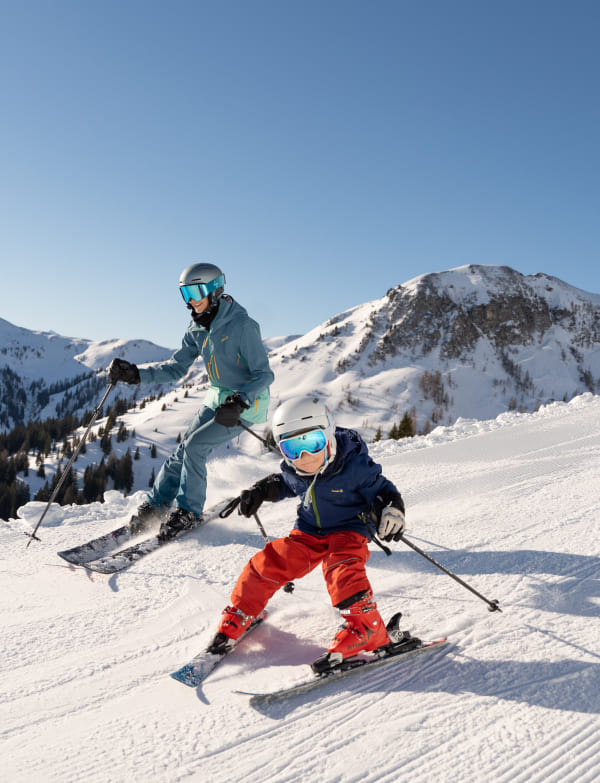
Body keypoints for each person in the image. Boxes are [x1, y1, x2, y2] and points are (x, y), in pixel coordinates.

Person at [206, 396, 408, 673]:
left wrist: (392, 510)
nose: (304, 457)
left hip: (349, 530)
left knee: (342, 569)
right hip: (309, 532)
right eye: (292, 448)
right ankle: (243, 611)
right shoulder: (295, 468)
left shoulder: (354, 466)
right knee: (267, 563)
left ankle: (367, 628)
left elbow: (383, 490)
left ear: (327, 434)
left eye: (312, 443)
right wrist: (260, 491)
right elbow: (284, 483)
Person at [107, 263, 274, 540]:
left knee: (195, 447)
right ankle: (157, 504)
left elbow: (264, 374)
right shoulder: (197, 328)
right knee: (183, 450)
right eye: (185, 293)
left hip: (246, 404)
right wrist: (136, 374)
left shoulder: (243, 326)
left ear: (215, 290)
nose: (192, 300)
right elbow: (175, 368)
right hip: (217, 398)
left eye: (196, 291)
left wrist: (240, 400)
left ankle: (188, 512)